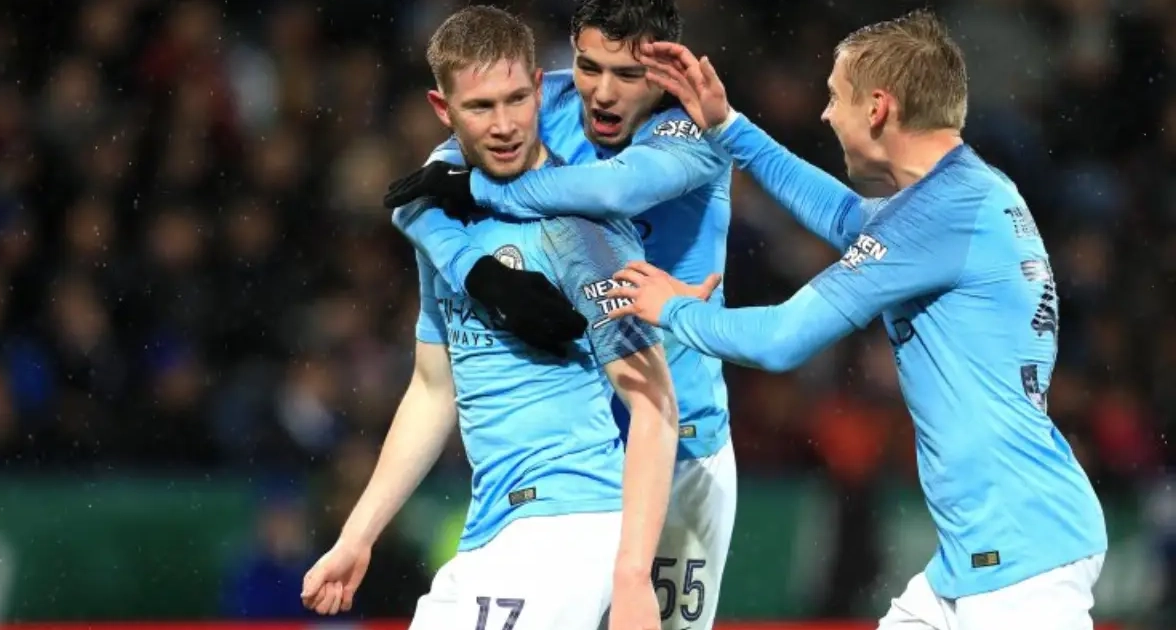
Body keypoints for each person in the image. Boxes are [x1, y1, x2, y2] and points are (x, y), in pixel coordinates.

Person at [613, 10, 1108, 630]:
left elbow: (780, 340)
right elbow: (845, 215)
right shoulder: (967, 195)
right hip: (982, 556)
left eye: (834, 96)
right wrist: (729, 127)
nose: (825, 114)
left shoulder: (940, 215)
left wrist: (671, 308)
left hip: (1022, 566)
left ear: (877, 107)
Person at [299, 7, 679, 630]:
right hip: (488, 532)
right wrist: (357, 536)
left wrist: (633, 574)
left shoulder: (582, 229)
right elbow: (433, 388)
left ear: (539, 88)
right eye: (480, 107)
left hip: (568, 525)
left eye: (516, 100)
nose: (504, 125)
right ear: (443, 109)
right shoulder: (443, 223)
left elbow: (654, 402)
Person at [383, 2, 737, 627]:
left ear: (665, 71)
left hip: (677, 435)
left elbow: (615, 190)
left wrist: (478, 190)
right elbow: (420, 189)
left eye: (628, 74)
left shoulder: (697, 129)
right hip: (576, 452)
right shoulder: (538, 98)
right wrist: (476, 268)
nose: (602, 92)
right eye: (588, 66)